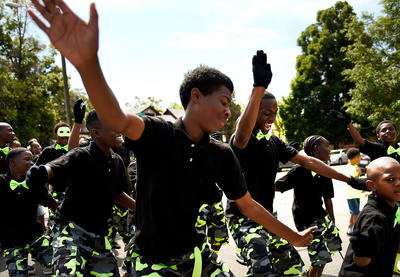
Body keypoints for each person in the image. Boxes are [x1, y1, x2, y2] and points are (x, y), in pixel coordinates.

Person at [28, 2, 316, 275]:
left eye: (230, 105)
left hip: (194, 256)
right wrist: (87, 64)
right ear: (196, 96)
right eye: (224, 102)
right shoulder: (158, 133)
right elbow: (116, 118)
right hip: (150, 263)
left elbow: (248, 205)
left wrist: (295, 237)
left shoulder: (221, 154)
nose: (228, 112)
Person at [227, 53, 365, 276]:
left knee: (292, 267)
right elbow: (241, 135)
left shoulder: (274, 142)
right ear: (254, 111)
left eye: (275, 112)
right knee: (262, 263)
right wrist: (258, 88)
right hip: (243, 219)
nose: (271, 117)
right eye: (265, 112)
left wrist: (351, 180)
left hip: (269, 217)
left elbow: (308, 161)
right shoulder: (243, 140)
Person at [26, 110, 136, 276]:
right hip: (71, 231)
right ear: (96, 133)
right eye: (112, 127)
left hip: (99, 236)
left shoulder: (117, 161)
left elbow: (117, 193)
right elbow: (53, 168)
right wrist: (40, 173)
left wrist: (142, 208)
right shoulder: (80, 155)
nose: (118, 130)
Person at [275, 135, 342, 277]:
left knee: (326, 255)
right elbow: (278, 186)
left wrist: (332, 222)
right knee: (317, 260)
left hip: (322, 217)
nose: (329, 150)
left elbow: (328, 198)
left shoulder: (325, 170)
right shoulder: (300, 170)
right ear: (316, 149)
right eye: (327, 146)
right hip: (306, 220)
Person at [339, 157, 400, 277]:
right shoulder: (374, 218)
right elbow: (361, 261)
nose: (399, 182)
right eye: (390, 179)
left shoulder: (391, 207)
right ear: (372, 186)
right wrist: (363, 245)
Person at [0, 148, 57, 276]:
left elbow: (51, 204)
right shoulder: (1, 182)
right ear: (12, 162)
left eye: (32, 160)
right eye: (27, 159)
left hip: (35, 236)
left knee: (61, 264)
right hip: (11, 242)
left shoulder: (34, 183)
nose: (31, 163)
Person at [330, 110, 400, 163]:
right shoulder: (376, 148)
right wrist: (349, 123)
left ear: (396, 133)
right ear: (378, 136)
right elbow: (360, 140)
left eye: (391, 129)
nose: (388, 131)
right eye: (384, 130)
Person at [345, 148, 363, 235]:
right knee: (355, 213)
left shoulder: (355, 166)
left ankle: (350, 226)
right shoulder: (349, 167)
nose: (360, 158)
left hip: (356, 194)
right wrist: (358, 174)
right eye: (359, 156)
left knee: (353, 212)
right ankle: (356, 231)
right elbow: (352, 180)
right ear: (355, 157)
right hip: (351, 195)